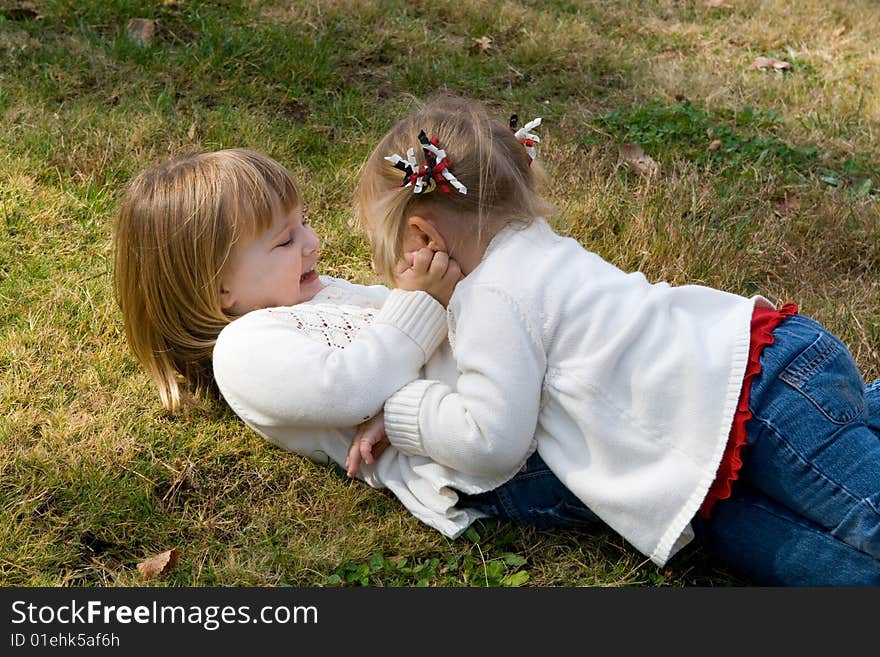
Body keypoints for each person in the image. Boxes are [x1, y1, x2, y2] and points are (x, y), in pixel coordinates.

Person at [349, 94, 880, 585]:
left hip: (762, 390)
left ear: (424, 237)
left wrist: (404, 408)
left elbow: (490, 441)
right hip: (722, 421)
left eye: (395, 253)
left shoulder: (491, 296)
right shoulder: (524, 250)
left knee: (869, 517)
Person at [113, 147, 546, 541]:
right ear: (219, 288)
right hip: (485, 462)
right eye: (285, 240)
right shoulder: (242, 350)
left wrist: (426, 284)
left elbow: (405, 320)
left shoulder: (317, 293)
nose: (312, 243)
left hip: (503, 392)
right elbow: (352, 389)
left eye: (302, 223)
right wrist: (422, 299)